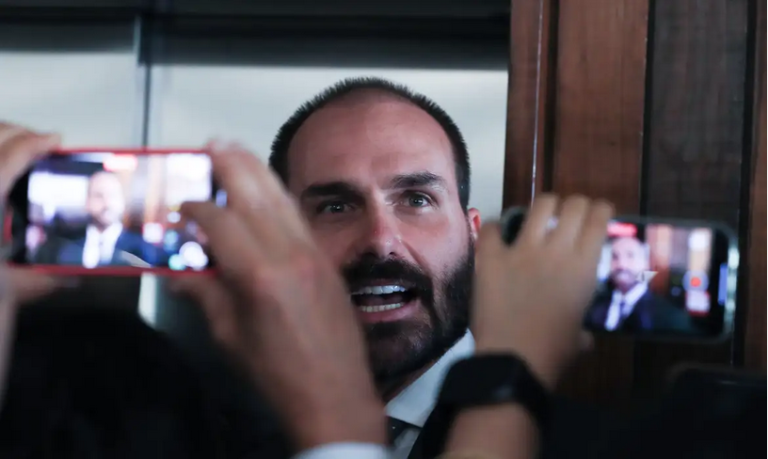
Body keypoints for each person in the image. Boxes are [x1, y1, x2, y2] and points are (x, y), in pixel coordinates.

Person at [172, 77, 616, 459]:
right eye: (335, 206)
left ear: (473, 233)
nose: (380, 240)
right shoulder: (200, 438)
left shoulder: (599, 448)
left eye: (417, 200)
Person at [36, 170, 167, 268]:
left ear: (123, 202)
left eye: (113, 195)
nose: (107, 203)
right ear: (87, 202)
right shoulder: (61, 245)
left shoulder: (145, 250)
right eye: (99, 196)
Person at [584, 235, 692, 333]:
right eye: (615, 257)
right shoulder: (592, 306)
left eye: (630, 256)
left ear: (646, 263)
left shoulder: (671, 317)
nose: (621, 265)